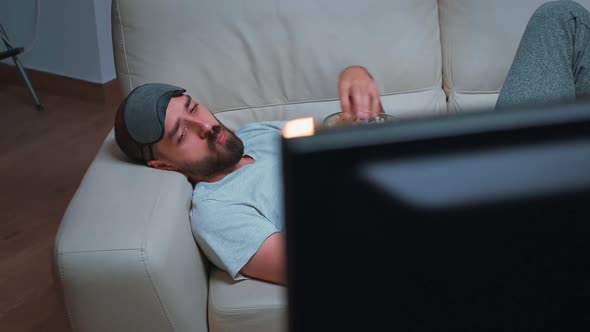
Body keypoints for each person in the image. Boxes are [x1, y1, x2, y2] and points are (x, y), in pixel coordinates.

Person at [114, 0, 590, 286]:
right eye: (183, 134)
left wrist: (357, 83)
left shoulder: (256, 135)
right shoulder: (217, 212)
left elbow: (340, 133)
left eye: (193, 108)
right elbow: (323, 266)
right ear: (163, 165)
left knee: (559, 18)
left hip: (462, 170)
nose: (205, 126)